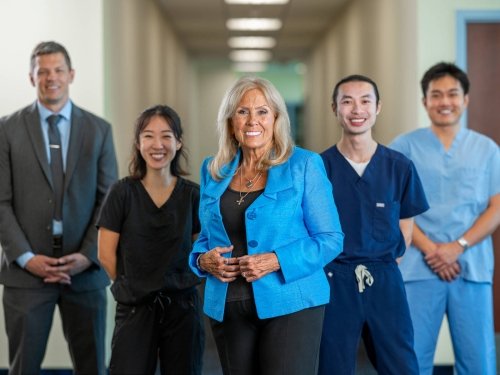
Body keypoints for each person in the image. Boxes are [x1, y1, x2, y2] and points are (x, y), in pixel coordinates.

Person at [188, 76, 344, 375]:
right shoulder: (213, 170)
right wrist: (202, 260)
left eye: (262, 111)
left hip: (291, 302)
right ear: (230, 121)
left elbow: (330, 238)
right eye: (242, 111)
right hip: (228, 305)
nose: (252, 120)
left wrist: (275, 260)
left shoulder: (304, 165)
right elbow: (207, 237)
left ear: (276, 118)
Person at [0, 41, 118, 374]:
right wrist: (27, 258)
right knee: (23, 367)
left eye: (58, 70)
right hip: (25, 274)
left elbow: (108, 201)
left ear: (71, 74)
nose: (51, 78)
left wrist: (87, 255)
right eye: (43, 72)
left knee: (92, 366)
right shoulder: (6, 129)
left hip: (85, 273)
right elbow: (1, 201)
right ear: (31, 77)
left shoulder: (99, 130)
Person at [390, 62, 500, 375]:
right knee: (412, 358)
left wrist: (458, 246)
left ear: (466, 99)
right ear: (425, 102)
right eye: (435, 95)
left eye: (452, 94)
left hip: (471, 266)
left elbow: (497, 206)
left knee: (478, 360)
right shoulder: (404, 146)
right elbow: (396, 205)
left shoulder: (487, 149)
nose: (444, 102)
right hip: (417, 266)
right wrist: (432, 249)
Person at [318, 75, 429, 375]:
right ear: (335, 108)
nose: (357, 109)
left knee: (401, 364)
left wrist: (390, 260)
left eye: (365, 100)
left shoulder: (399, 166)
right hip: (333, 280)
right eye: (347, 101)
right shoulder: (319, 168)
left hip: (385, 279)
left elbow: (406, 221)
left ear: (378, 107)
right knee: (332, 365)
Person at [97, 104, 204, 375]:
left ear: (178, 142)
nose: (158, 144)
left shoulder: (193, 195)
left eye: (166, 136)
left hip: (183, 308)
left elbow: (200, 253)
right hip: (135, 308)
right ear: (138, 142)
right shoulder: (121, 193)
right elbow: (106, 255)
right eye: (148, 135)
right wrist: (133, 285)